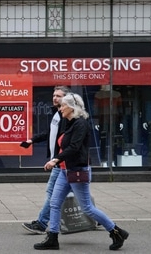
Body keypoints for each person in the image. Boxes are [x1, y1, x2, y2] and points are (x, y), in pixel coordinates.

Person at [34, 93, 129, 251]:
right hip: (65, 171)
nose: (61, 108)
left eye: (63, 105)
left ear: (72, 108)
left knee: (87, 208)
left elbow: (74, 147)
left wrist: (55, 160)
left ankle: (116, 232)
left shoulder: (81, 124)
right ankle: (52, 237)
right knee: (55, 203)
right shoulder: (68, 121)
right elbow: (59, 140)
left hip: (77, 170)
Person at [20, 86, 70, 234]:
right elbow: (49, 133)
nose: (55, 98)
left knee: (52, 193)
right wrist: (31, 140)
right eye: (54, 95)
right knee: (79, 196)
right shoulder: (56, 114)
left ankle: (41, 224)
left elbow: (69, 142)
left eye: (59, 96)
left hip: (61, 162)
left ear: (66, 98)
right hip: (58, 161)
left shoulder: (67, 117)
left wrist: (57, 159)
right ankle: (95, 218)